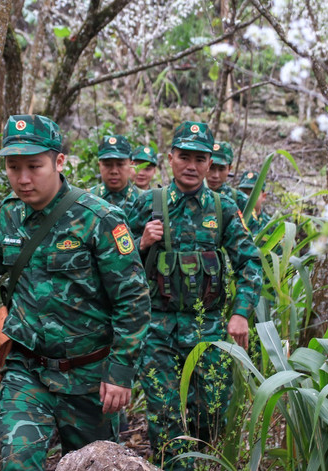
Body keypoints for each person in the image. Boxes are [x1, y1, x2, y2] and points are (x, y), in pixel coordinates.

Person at [0, 115, 150, 471]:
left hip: (88, 379)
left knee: (96, 464)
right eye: (13, 167)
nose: (23, 178)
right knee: (18, 464)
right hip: (27, 369)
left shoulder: (99, 219)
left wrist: (120, 371)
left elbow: (133, 300)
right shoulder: (11, 213)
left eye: (34, 166)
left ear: (59, 161)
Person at [127, 121, 265, 470]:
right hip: (158, 332)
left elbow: (250, 262)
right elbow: (113, 261)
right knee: (165, 418)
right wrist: (140, 243)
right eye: (184, 156)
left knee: (212, 412)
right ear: (170, 158)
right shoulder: (148, 203)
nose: (191, 165)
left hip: (208, 333)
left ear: (209, 163)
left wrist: (240, 313)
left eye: (200, 159)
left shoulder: (222, 209)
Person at [206, 141, 261, 236]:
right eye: (211, 167)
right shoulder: (189, 193)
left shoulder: (240, 200)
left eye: (221, 169)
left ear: (229, 169)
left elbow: (254, 236)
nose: (215, 175)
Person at [89, 134, 142, 213]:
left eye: (120, 164)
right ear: (99, 166)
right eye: (107, 165)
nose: (114, 171)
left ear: (131, 165)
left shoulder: (143, 200)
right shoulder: (88, 198)